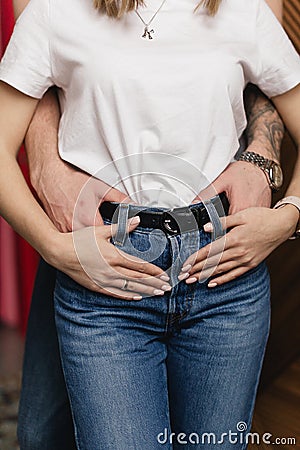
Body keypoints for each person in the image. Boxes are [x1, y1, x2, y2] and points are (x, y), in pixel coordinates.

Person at [0, 0, 299, 448]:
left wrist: (288, 215)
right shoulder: (55, 12)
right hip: (105, 285)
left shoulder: (243, 11)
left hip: (223, 280)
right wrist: (52, 246)